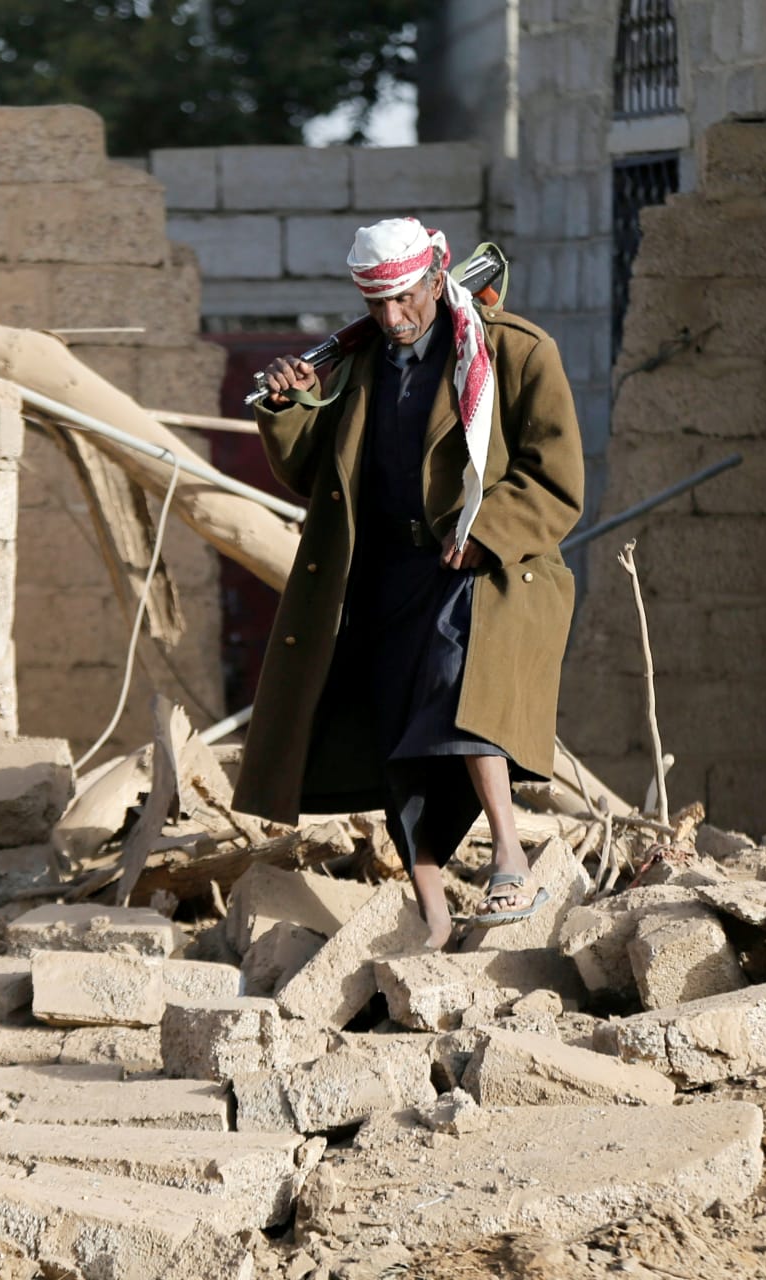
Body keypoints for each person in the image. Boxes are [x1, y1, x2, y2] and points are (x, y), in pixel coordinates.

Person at [231, 217, 584, 949]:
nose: (393, 319)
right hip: (384, 577)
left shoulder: (513, 352)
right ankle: (434, 917)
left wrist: (484, 531)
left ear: (435, 278)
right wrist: (289, 405)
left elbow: (556, 479)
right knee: (396, 741)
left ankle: (509, 857)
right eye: (376, 305)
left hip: (481, 570)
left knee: (460, 691)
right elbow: (313, 475)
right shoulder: (357, 367)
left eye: (405, 300)